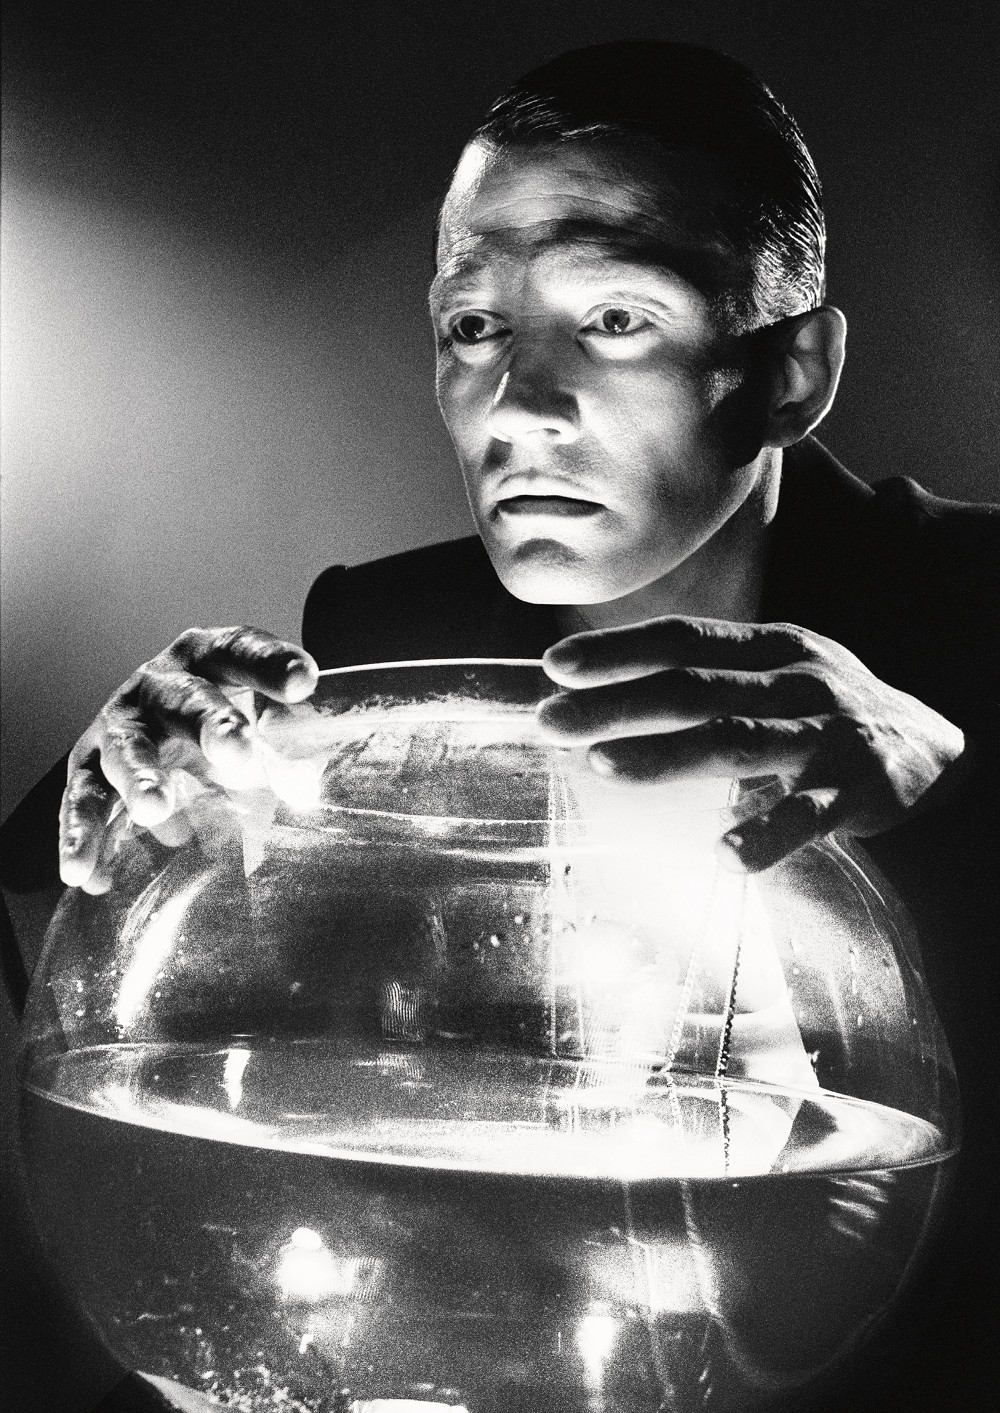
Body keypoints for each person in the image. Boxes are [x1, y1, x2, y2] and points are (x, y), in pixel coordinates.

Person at [2, 41, 997, 1413]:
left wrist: (952, 785)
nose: (521, 405)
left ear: (791, 371)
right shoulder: (373, 642)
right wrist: (129, 785)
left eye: (615, 318)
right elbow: (63, 971)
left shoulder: (971, 613)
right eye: (475, 327)